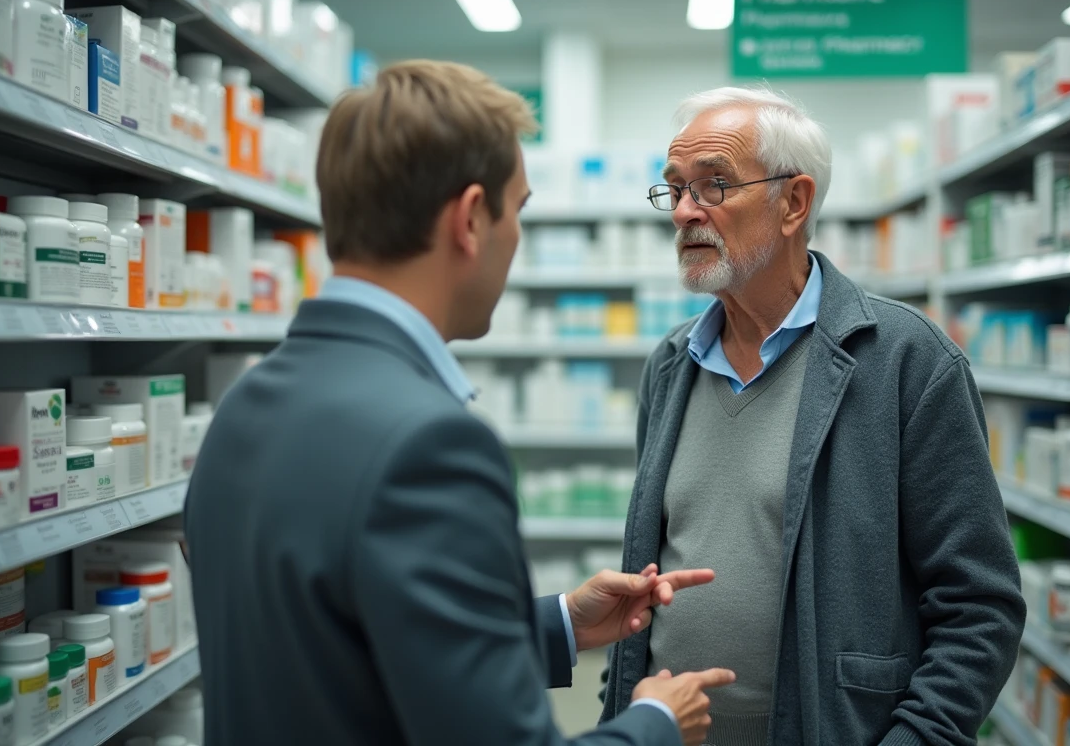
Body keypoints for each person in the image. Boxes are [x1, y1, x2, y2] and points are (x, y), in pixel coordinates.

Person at [184, 60, 736, 745]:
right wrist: (655, 723)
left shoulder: (244, 408)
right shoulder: (427, 444)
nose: (517, 238)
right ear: (472, 218)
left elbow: (338, 651)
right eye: (519, 210)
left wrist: (560, 621)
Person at [599, 87, 1026, 746]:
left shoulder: (905, 361)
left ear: (793, 202)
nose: (684, 212)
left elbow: (979, 606)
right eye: (674, 188)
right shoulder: (671, 363)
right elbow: (645, 571)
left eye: (713, 185)